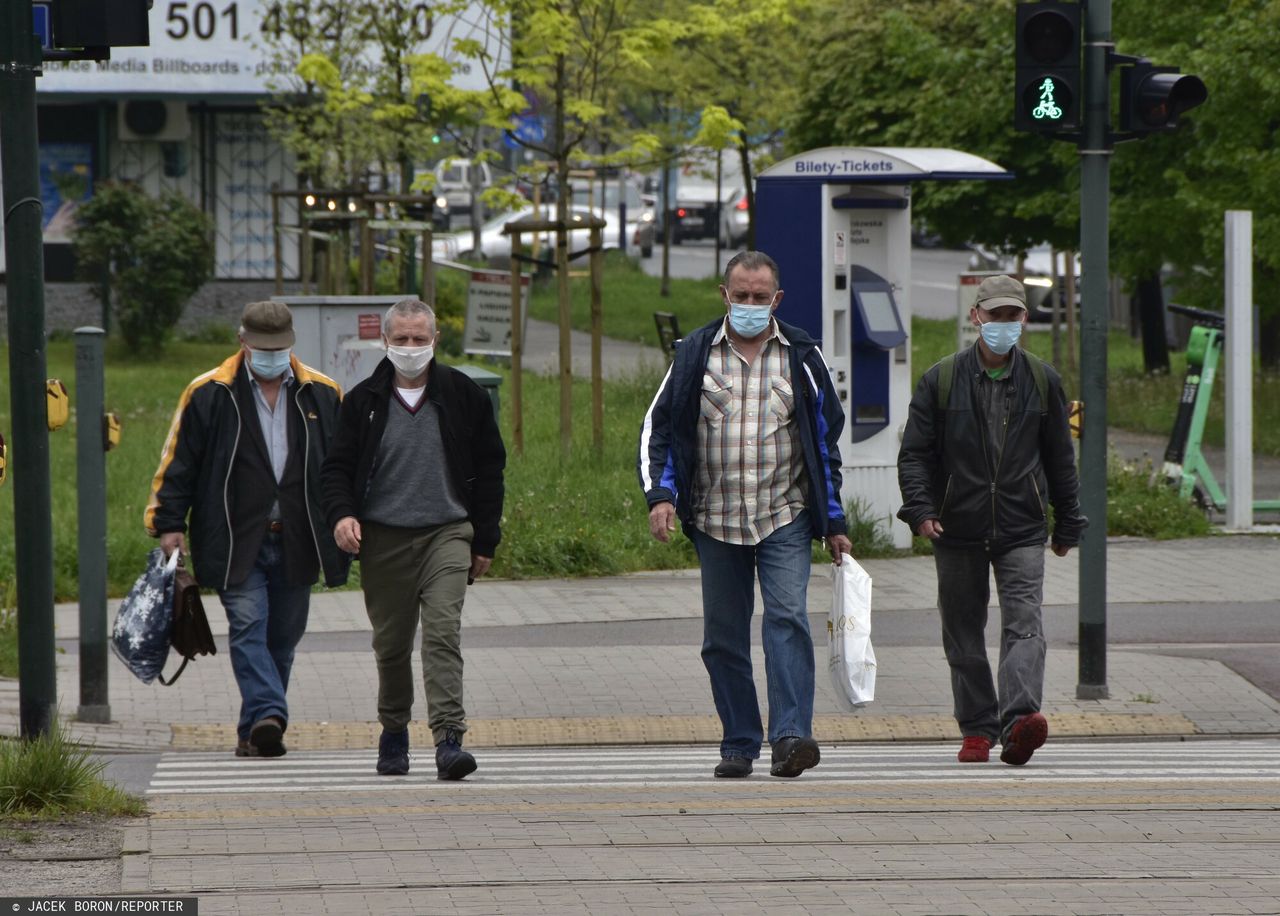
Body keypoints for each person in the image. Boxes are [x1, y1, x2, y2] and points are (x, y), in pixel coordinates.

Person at [638, 250, 852, 779]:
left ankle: (790, 737)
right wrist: (660, 496)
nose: (751, 305)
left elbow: (825, 440)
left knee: (787, 620)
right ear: (725, 295)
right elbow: (658, 430)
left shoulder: (802, 354)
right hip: (715, 518)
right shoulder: (693, 354)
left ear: (776, 299)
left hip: (786, 514)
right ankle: (739, 740)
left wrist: (834, 521)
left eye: (761, 297)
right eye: (742, 296)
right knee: (724, 637)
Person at [897, 274, 1087, 766]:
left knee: (1026, 624)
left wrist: (1068, 522)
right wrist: (920, 510)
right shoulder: (940, 379)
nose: (1003, 323)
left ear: (1024, 319)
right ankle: (978, 728)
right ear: (975, 316)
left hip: (1022, 525)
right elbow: (915, 454)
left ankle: (1020, 720)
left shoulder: (1042, 380)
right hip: (956, 526)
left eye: (1012, 315)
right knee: (962, 630)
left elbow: (1060, 458)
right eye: (994, 314)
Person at [146, 300, 349, 758]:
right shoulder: (208, 392)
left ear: (291, 343)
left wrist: (348, 518)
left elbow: (341, 467)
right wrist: (168, 523)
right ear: (242, 342)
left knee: (283, 638)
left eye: (280, 348)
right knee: (248, 625)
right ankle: (272, 715)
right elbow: (179, 464)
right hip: (235, 537)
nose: (272, 356)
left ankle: (253, 728)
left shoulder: (322, 393)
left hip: (300, 536)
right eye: (262, 348)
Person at [321, 298, 506, 780]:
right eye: (400, 339)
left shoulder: (464, 396)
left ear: (435, 340)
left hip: (447, 533)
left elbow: (490, 469)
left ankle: (449, 739)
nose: (409, 348)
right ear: (385, 341)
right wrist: (342, 516)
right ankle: (394, 730)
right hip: (383, 539)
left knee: (443, 633)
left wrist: (485, 539)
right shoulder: (362, 402)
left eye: (419, 339)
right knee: (392, 644)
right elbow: (337, 468)